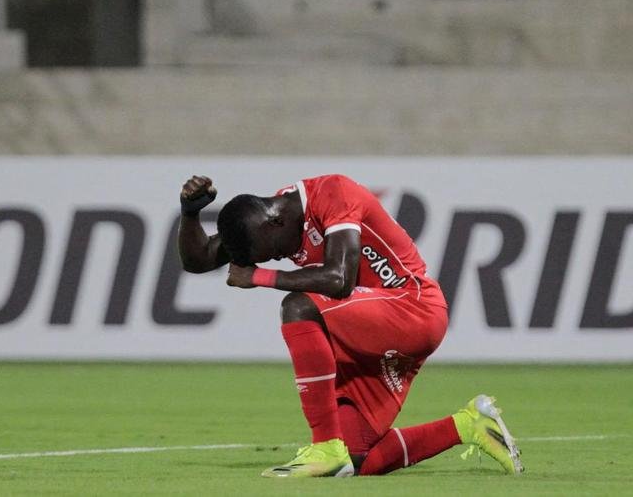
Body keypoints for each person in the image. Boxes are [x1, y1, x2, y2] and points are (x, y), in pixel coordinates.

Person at [177, 174, 523, 477]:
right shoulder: (262, 226)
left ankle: (324, 446)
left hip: (413, 308)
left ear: (274, 223)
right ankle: (468, 425)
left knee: (298, 305)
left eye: (271, 252)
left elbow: (339, 279)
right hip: (369, 329)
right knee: (358, 457)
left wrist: (260, 275)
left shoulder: (333, 194)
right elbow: (199, 259)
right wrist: (190, 212)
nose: (278, 257)